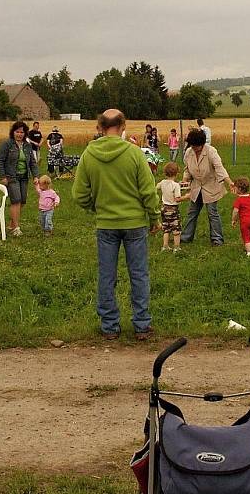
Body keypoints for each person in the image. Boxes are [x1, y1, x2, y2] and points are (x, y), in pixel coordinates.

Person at [72, 109, 159, 341]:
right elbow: (148, 191)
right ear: (123, 126)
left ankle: (109, 326)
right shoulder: (134, 153)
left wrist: (97, 207)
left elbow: (79, 194)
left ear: (100, 126)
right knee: (139, 274)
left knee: (107, 275)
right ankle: (142, 325)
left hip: (106, 224)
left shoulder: (89, 154)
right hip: (135, 223)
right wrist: (154, 218)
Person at [180, 128, 235, 246]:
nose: (194, 149)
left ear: (202, 144)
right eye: (192, 146)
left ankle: (217, 239)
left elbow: (219, 168)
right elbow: (187, 169)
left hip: (211, 186)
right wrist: (185, 179)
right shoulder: (188, 152)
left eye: (196, 146)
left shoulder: (211, 151)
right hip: (196, 187)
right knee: (192, 212)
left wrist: (229, 181)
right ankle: (185, 237)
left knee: (212, 213)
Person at [0, 121, 38, 236]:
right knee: (16, 200)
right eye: (17, 132)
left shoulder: (27, 145)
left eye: (22, 132)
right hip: (11, 177)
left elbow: (32, 162)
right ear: (13, 132)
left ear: (25, 133)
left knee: (22, 201)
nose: (19, 134)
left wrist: (35, 176)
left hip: (24, 177)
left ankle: (11, 224)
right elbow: (0, 161)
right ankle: (16, 228)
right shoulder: (7, 144)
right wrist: (3, 176)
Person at [155, 162, 188, 252]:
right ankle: (176, 247)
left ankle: (165, 246)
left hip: (164, 208)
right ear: (177, 173)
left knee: (166, 228)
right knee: (176, 229)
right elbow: (177, 199)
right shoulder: (175, 185)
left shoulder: (162, 182)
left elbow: (156, 187)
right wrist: (186, 197)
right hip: (173, 209)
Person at [231, 176, 250, 257]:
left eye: (235, 188)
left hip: (245, 221)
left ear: (239, 189)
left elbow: (235, 211)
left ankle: (249, 252)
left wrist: (233, 220)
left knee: (245, 236)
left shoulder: (239, 200)